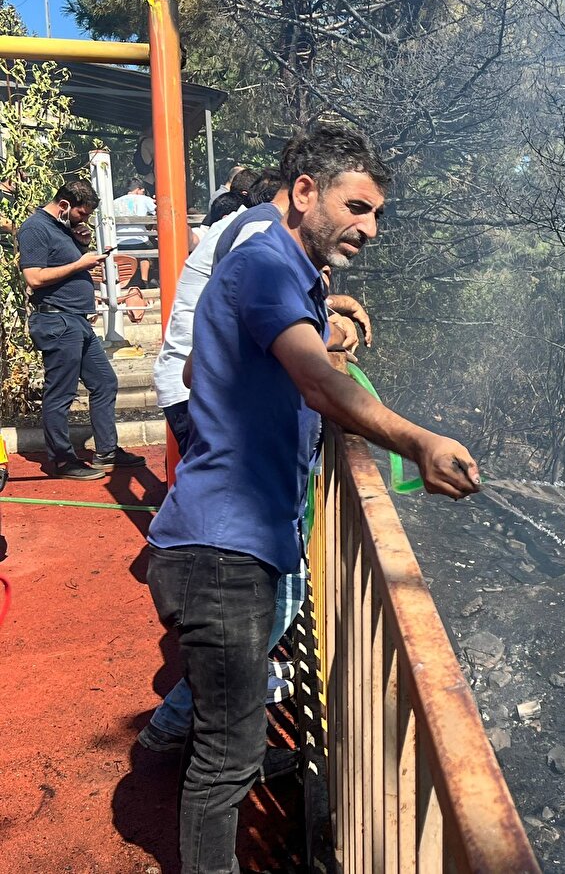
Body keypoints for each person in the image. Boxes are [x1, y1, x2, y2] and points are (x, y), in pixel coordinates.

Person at [144, 124, 479, 873]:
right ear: (304, 192)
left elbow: (202, 370)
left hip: (218, 542)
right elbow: (321, 384)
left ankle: (167, 738)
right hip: (219, 555)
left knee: (229, 741)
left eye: (378, 215)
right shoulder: (266, 260)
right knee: (228, 758)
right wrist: (421, 443)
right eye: (358, 207)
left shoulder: (279, 266)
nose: (370, 228)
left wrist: (283, 350)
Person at [18, 181, 145, 480]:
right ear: (64, 205)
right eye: (81, 214)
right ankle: (62, 460)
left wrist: (83, 244)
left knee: (104, 382)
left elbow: (68, 262)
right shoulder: (35, 228)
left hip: (76, 320)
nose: (83, 219)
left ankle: (107, 450)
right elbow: (34, 278)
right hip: (57, 321)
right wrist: (81, 263)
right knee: (60, 393)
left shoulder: (63, 229)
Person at [113, 177, 156, 285]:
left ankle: (123, 282)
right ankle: (144, 280)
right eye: (143, 191)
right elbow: (158, 211)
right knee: (146, 253)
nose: (143, 193)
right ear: (138, 189)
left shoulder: (115, 202)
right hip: (139, 239)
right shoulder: (144, 199)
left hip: (119, 240)